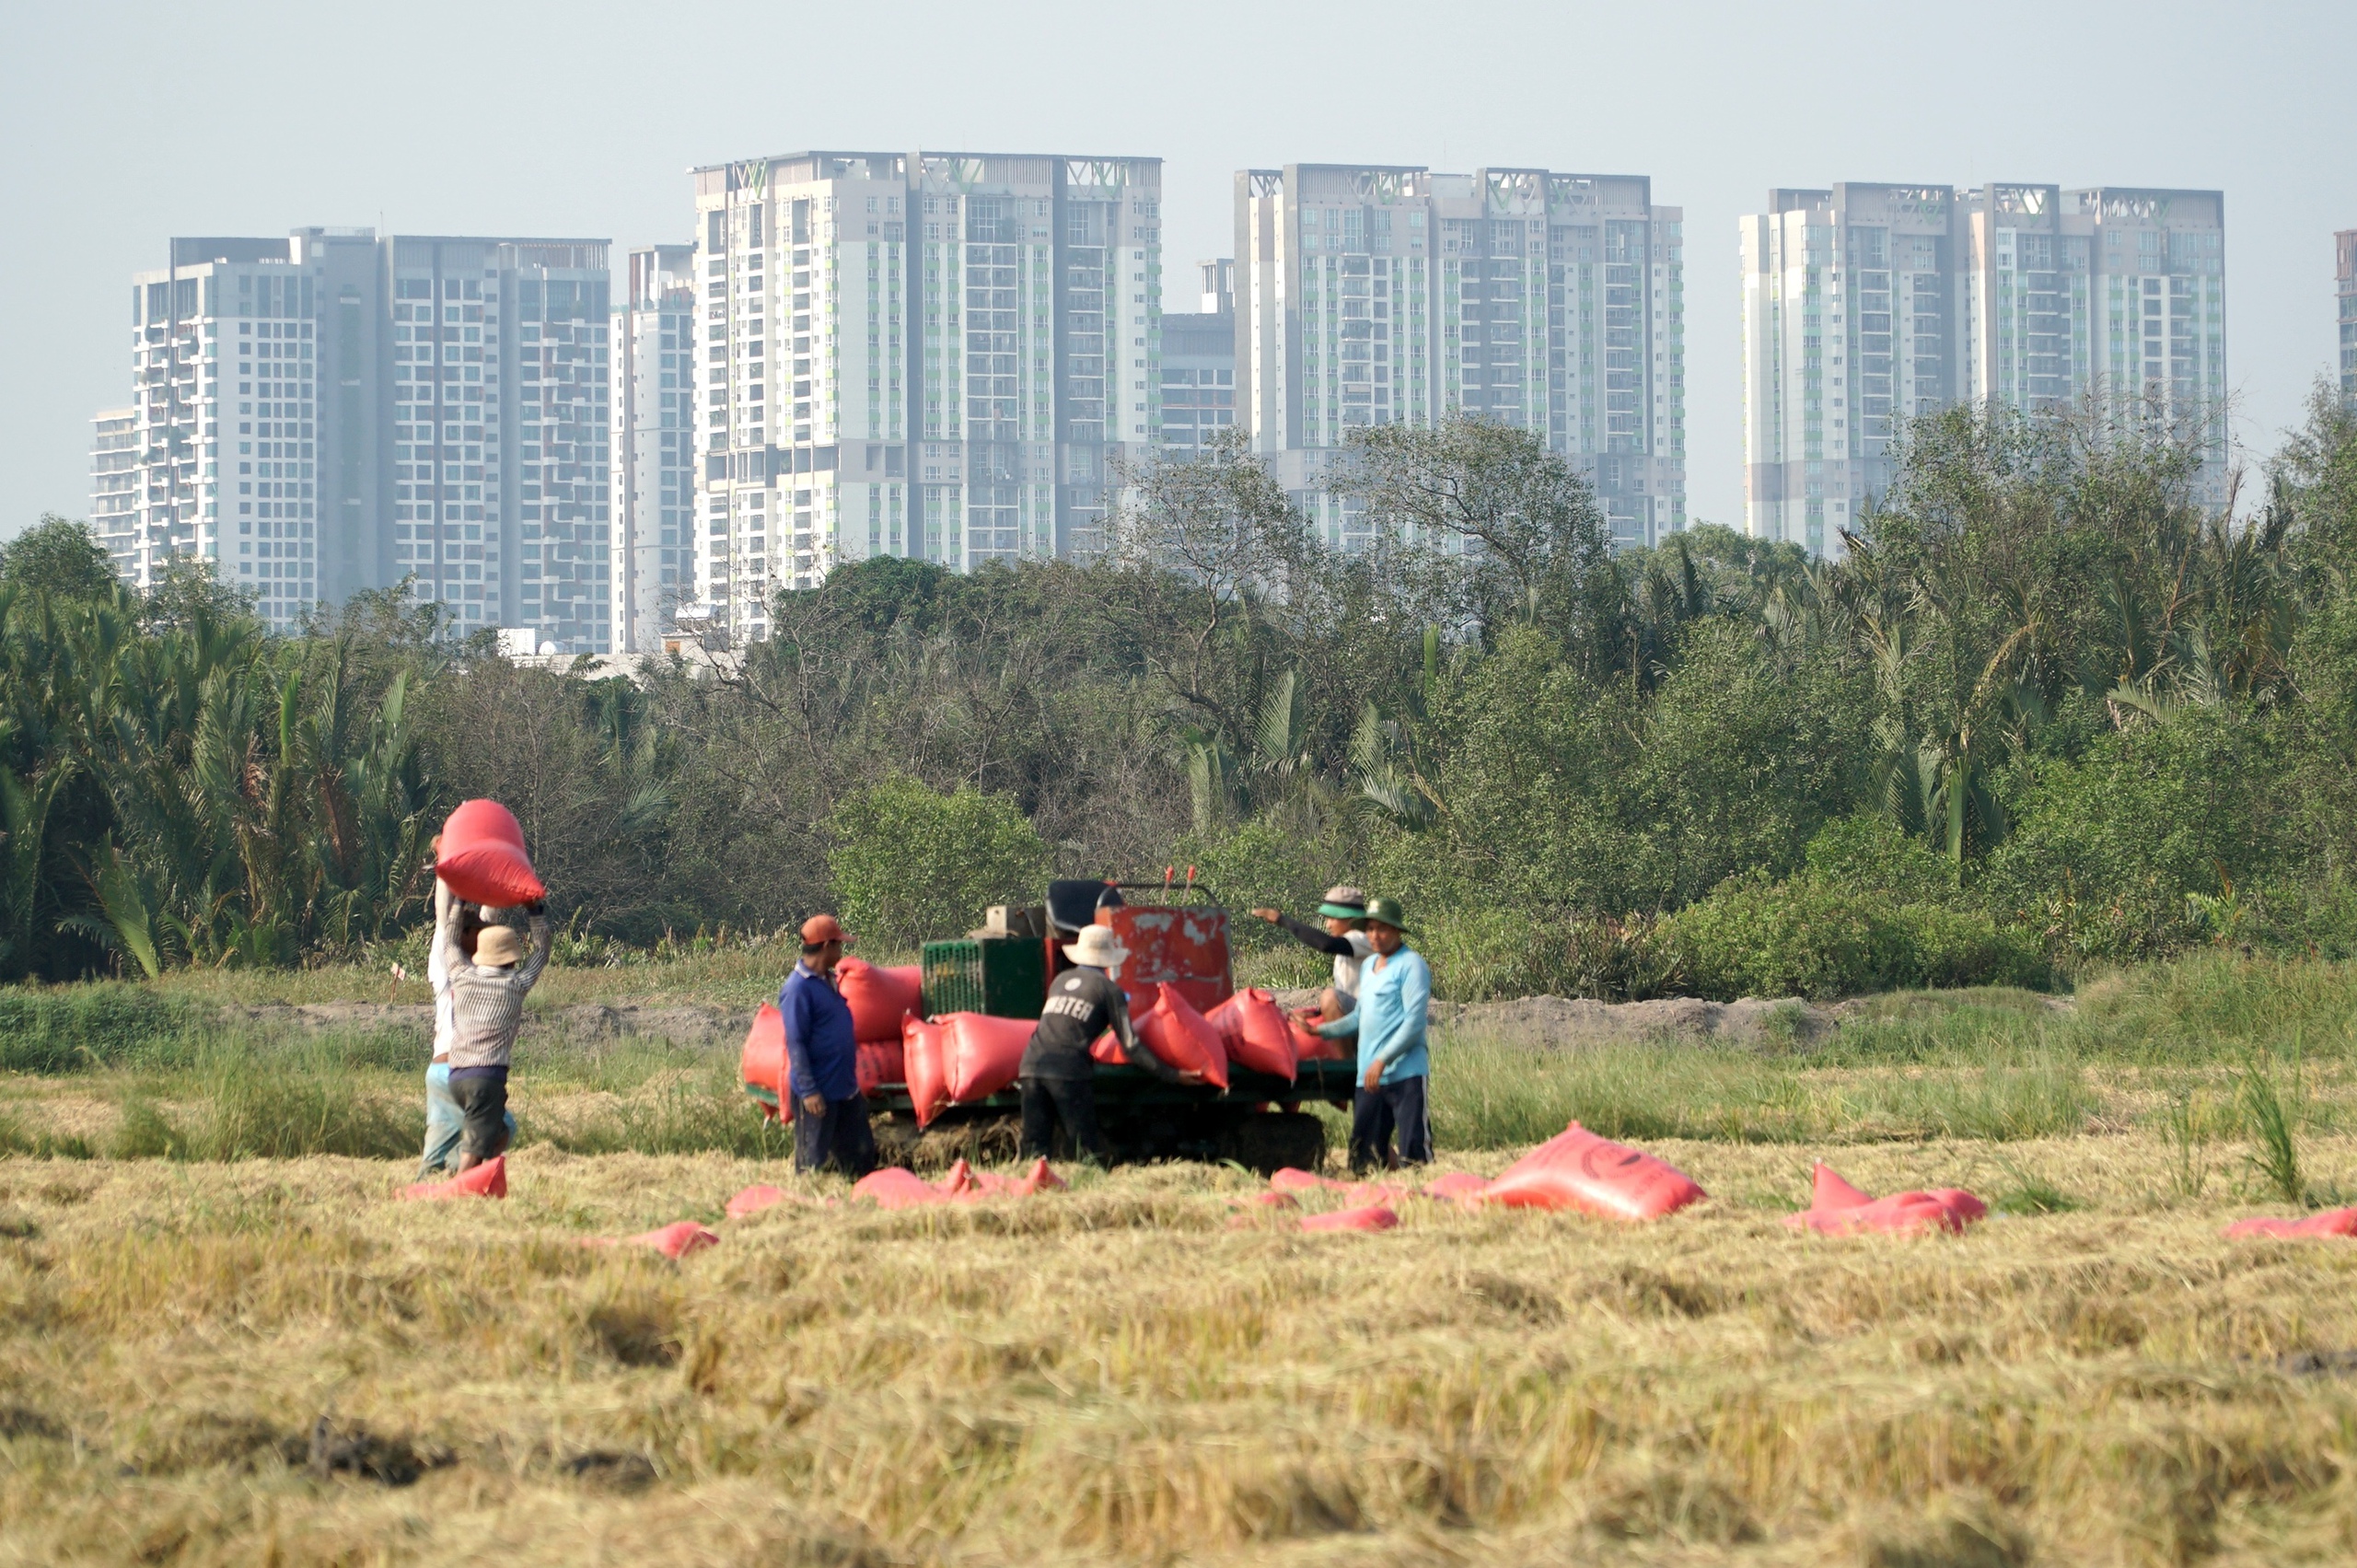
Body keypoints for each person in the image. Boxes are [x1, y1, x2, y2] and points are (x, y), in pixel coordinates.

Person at [1018, 923, 1201, 1164]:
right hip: (1068, 1072)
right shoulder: (1109, 990)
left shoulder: (1060, 980)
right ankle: (1090, 1193)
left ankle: (1030, 1191)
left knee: (1034, 1146)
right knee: (1085, 1150)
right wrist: (1173, 1075)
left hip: (1030, 1065)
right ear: (1108, 958)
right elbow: (1130, 1044)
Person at [1311, 896, 1432, 1172]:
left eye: (1382, 929)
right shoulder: (1368, 967)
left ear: (1398, 931)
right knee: (1363, 1156)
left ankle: (1422, 1207)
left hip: (1405, 1073)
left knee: (1414, 1155)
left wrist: (1382, 1060)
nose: (1375, 936)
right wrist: (1320, 1031)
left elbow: (1414, 1024)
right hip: (1370, 1076)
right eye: (1370, 929)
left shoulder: (1411, 965)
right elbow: (1358, 1017)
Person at [437, 889, 552, 1173]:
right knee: (474, 1147)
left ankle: (482, 1181)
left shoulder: (461, 976)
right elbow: (543, 951)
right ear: (511, 959)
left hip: (457, 1076)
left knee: (498, 1133)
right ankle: (460, 1191)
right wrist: (535, 911)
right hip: (486, 1077)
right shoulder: (516, 984)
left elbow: (449, 942)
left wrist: (460, 899)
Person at [418, 854, 517, 1178]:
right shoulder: (469, 971)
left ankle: (432, 1182)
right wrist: (448, 870)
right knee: (500, 1128)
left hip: (439, 1073)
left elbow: (453, 919)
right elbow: (446, 919)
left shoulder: (455, 970)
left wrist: (448, 869)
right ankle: (462, 1179)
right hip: (461, 1070)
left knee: (437, 1146)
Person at [782, 913, 877, 1179]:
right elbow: (796, 1042)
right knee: (812, 1162)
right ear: (826, 947)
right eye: (839, 945)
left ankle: (860, 1205)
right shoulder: (798, 989)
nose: (841, 951)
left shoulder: (829, 980)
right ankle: (810, 1212)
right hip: (817, 1093)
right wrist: (809, 1091)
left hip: (844, 1088)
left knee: (862, 1156)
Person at [1249, 885, 1372, 1022]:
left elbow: (1326, 944)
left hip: (1370, 1015)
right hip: (1355, 1014)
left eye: (1332, 919)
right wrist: (1315, 1014)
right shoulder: (1344, 952)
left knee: (1330, 996)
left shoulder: (1363, 939)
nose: (1328, 925)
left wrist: (1281, 920)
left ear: (1350, 919)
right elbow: (1346, 994)